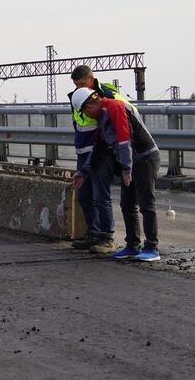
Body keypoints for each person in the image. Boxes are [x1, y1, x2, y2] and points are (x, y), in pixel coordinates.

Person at [71, 87, 162, 262]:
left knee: (146, 203)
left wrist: (127, 169)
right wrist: (83, 173)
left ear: (88, 107)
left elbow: (124, 139)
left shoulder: (115, 107)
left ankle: (152, 247)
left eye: (83, 112)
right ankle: (132, 246)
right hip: (132, 161)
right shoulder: (102, 115)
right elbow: (99, 148)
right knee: (127, 204)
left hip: (145, 158)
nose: (86, 116)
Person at [66, 66, 132, 254]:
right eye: (75, 84)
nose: (78, 87)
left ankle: (106, 237)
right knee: (85, 196)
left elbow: (120, 117)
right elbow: (78, 123)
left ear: (91, 79)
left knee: (100, 195)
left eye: (81, 83)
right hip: (84, 150)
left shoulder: (107, 93)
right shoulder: (76, 97)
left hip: (102, 150)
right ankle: (93, 234)